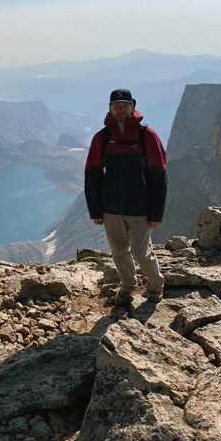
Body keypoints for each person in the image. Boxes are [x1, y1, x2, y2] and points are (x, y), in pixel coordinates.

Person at [84, 89, 167, 307]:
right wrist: (95, 210)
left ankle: (156, 285)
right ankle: (128, 285)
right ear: (109, 109)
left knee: (141, 252)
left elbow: (159, 175)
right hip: (110, 208)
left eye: (124, 105)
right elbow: (92, 174)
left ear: (132, 107)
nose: (120, 109)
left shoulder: (146, 136)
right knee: (119, 251)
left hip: (139, 207)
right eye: (116, 106)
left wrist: (156, 211)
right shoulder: (101, 138)